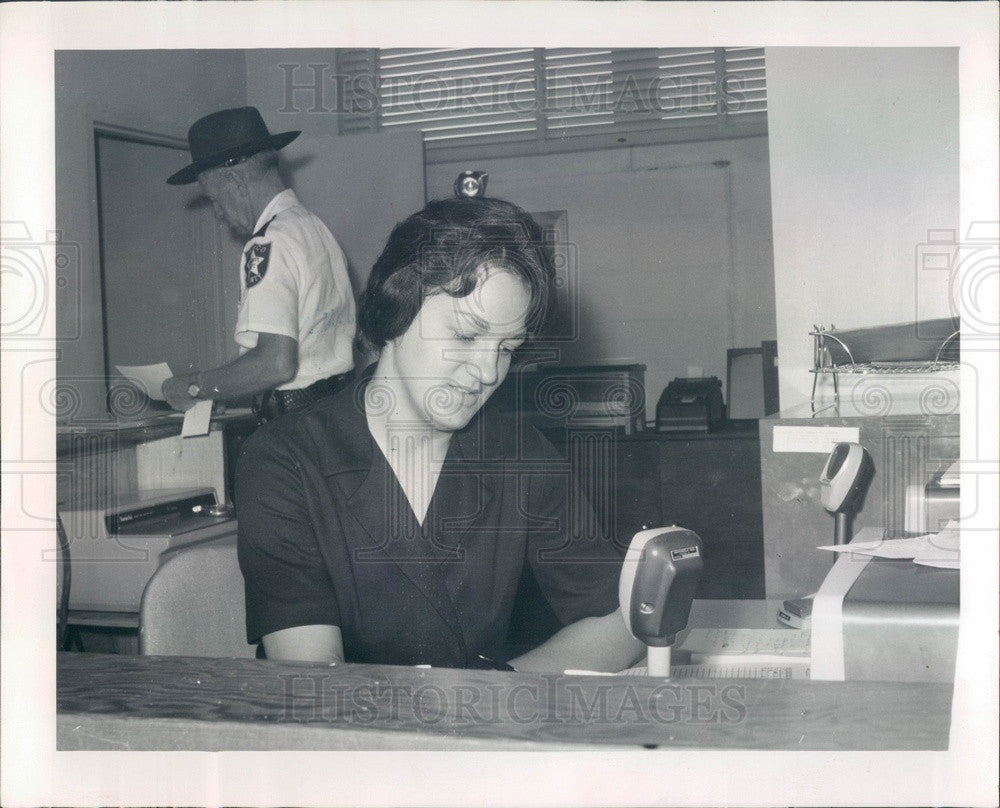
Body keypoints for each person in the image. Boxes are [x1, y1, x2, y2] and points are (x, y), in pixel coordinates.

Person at [235, 196, 645, 673]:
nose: (487, 371)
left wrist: (492, 691)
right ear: (397, 308)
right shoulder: (285, 458)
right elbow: (314, 680)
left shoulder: (522, 455)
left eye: (507, 348)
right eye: (468, 336)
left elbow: (623, 621)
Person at [161, 106, 356, 421]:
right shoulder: (312, 226)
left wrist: (196, 387)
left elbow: (276, 363)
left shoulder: (268, 242)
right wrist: (225, 388)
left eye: (214, 200)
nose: (219, 214)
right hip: (335, 412)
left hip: (298, 425)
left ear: (236, 182)